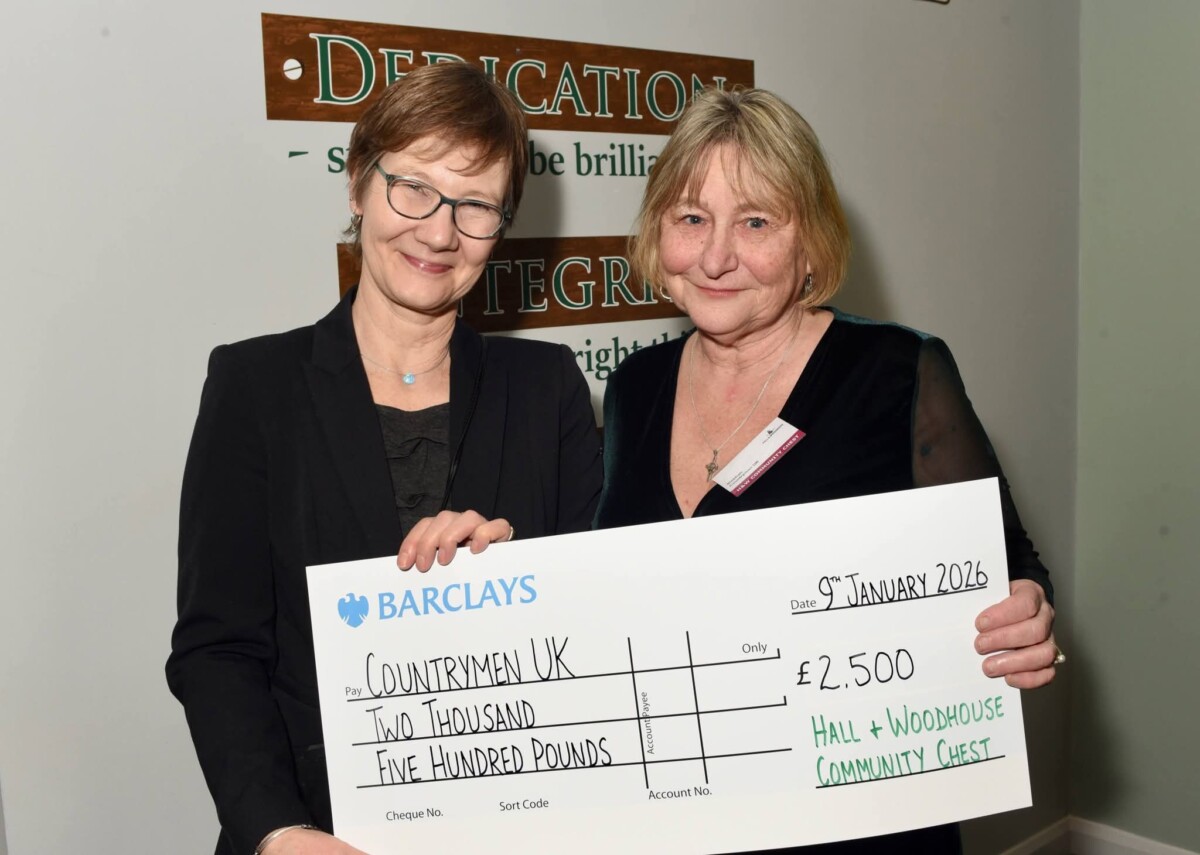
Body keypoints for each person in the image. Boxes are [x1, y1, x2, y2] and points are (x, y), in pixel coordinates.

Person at [594, 86, 1059, 854]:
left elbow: (1011, 563)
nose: (715, 256)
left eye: (755, 222)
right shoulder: (635, 386)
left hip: (862, 821)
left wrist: (1026, 610)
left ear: (809, 242)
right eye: (691, 218)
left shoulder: (897, 371)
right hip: (688, 817)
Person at [166, 63, 602, 855]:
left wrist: (523, 581)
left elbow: (597, 630)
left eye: (476, 205)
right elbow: (217, 649)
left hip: (516, 826)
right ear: (359, 185)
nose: (439, 233)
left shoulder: (549, 388)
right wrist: (277, 831)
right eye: (414, 189)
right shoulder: (254, 386)